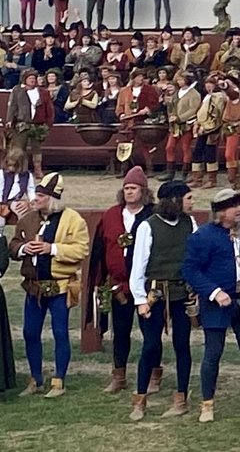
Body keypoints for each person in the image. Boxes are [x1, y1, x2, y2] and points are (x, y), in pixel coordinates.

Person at [183, 187, 240, 422]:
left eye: (239, 204)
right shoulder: (203, 237)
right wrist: (215, 292)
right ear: (219, 212)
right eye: (232, 206)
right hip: (217, 304)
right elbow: (190, 269)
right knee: (213, 354)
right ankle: (207, 405)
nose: (238, 210)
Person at [127, 178, 197, 421]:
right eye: (189, 198)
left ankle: (181, 399)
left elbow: (195, 258)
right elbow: (138, 267)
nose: (192, 203)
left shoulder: (190, 223)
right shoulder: (148, 226)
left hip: (181, 294)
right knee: (151, 346)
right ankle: (140, 400)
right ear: (176, 200)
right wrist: (140, 300)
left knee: (182, 344)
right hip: (154, 295)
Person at [12, 171, 87, 399]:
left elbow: (81, 249)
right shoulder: (28, 219)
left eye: (41, 195)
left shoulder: (73, 220)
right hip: (34, 286)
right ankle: (35, 378)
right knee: (30, 332)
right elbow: (14, 244)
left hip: (60, 287)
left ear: (52, 198)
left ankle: (59, 380)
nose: (36, 199)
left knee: (60, 332)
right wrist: (25, 249)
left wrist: (52, 249)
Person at [87, 165, 150, 397]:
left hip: (144, 286)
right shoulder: (111, 215)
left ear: (143, 191)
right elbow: (101, 250)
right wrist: (101, 280)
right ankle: (119, 376)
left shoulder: (151, 215)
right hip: (119, 286)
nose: (129, 192)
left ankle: (154, 373)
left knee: (149, 333)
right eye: (126, 188)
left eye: (133, 188)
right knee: (120, 332)